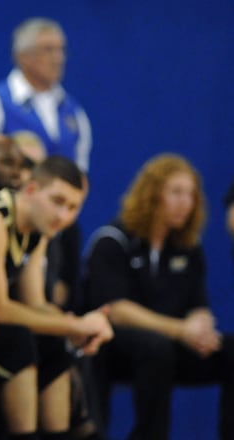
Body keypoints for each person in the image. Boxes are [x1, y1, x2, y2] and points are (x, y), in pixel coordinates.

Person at [82, 154, 234, 440]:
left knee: (231, 351)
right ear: (152, 194)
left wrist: (201, 327)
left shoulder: (188, 248)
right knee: (156, 348)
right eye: (176, 192)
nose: (185, 203)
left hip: (172, 343)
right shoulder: (112, 241)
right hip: (112, 346)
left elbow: (198, 304)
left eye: (191, 194)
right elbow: (115, 309)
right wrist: (181, 330)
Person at [0, 156, 112, 439]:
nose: (63, 216)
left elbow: (35, 304)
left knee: (55, 344)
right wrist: (77, 326)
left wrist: (77, 325)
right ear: (30, 190)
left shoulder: (38, 229)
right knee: (19, 341)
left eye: (73, 207)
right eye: (57, 201)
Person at [0, 17, 91, 185]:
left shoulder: (75, 114)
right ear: (23, 56)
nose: (59, 58)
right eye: (48, 50)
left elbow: (79, 177)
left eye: (61, 50)